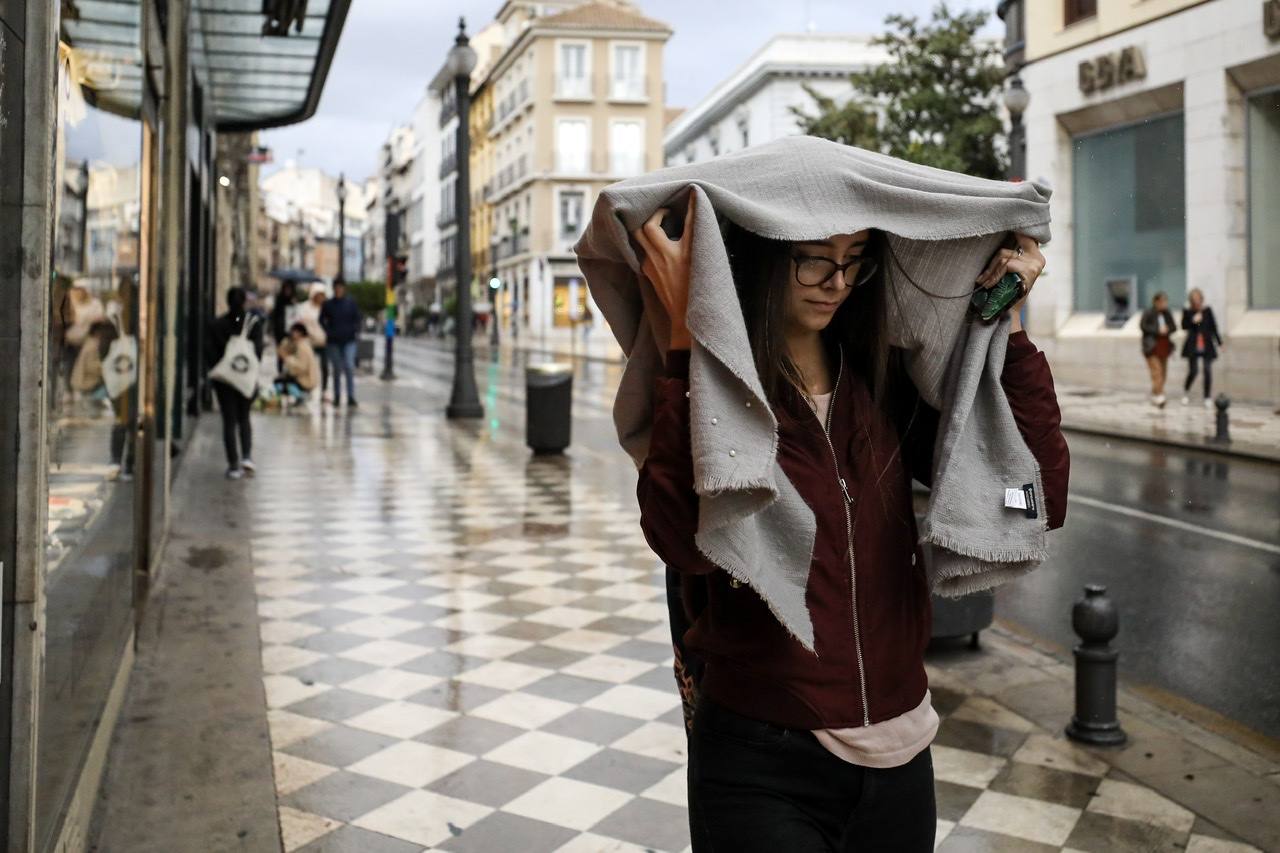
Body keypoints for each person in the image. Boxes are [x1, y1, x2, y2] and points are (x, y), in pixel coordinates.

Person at [632, 194, 1070, 852]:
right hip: (760, 760)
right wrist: (681, 340)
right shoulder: (722, 385)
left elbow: (1031, 495)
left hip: (901, 757)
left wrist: (1003, 326)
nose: (836, 281)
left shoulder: (885, 384)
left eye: (855, 260)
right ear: (766, 257)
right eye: (814, 261)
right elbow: (678, 538)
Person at [207, 287, 265, 479]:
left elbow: (209, 353)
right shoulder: (252, 323)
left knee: (229, 421)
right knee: (244, 417)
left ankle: (233, 464)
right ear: (244, 301)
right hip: (245, 378)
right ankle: (246, 456)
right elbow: (258, 353)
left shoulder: (217, 325)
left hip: (224, 380)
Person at [320, 280, 360, 408]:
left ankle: (350, 396)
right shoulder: (328, 304)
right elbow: (321, 320)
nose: (339, 290)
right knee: (336, 369)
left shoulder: (351, 303)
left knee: (349, 366)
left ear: (344, 289)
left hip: (349, 340)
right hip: (333, 342)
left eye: (341, 287)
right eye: (336, 287)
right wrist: (328, 332)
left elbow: (357, 319)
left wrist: (354, 330)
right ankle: (337, 396)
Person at [1180, 287, 1222, 408]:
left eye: (1199, 300)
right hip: (1193, 345)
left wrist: (1219, 342)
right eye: (1194, 300)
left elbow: (1213, 327)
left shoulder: (1207, 311)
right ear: (1191, 301)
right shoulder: (1188, 312)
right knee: (1194, 371)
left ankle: (1207, 396)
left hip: (1206, 344)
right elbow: (1184, 326)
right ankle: (1186, 392)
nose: (1197, 302)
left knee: (1207, 370)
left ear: (1202, 300)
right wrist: (1193, 320)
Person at [1139, 291, 1176, 408]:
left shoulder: (1167, 313)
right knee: (1157, 371)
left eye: (1165, 301)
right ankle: (1160, 395)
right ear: (1156, 302)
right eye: (1161, 301)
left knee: (1163, 373)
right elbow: (1143, 326)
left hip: (1164, 346)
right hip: (1151, 346)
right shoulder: (1149, 312)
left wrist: (1167, 329)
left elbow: (1174, 327)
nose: (1163, 304)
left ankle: (1156, 393)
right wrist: (1158, 330)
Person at [275, 322, 320, 408]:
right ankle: (300, 396)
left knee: (279, 384)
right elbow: (284, 348)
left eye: (293, 331)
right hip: (307, 378)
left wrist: (286, 358)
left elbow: (301, 367)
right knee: (282, 379)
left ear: (299, 333)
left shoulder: (302, 346)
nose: (291, 334)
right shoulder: (301, 344)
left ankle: (301, 396)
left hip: (307, 381)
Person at [297, 283, 329, 399]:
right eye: (318, 295)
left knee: (324, 366)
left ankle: (324, 390)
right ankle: (306, 387)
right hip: (309, 342)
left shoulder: (326, 308)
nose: (320, 298)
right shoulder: (305, 307)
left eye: (322, 295)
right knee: (307, 365)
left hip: (324, 342)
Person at [269, 280, 299, 372]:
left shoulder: (294, 300)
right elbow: (274, 316)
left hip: (291, 330)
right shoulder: (279, 300)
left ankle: (290, 370)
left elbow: (296, 315)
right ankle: (280, 370)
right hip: (280, 330)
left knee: (291, 352)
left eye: (289, 289)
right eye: (286, 289)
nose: (287, 291)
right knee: (281, 352)